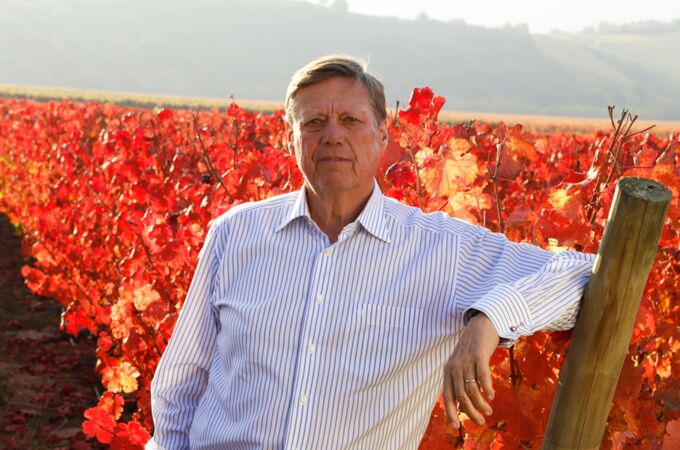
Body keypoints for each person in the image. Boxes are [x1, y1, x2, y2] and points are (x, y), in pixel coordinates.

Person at [147, 55, 594, 450]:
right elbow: (181, 386)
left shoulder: (441, 248)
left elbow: (584, 275)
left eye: (351, 121)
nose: (333, 136)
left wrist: (489, 320)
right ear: (291, 139)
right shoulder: (235, 235)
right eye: (314, 122)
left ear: (382, 135)